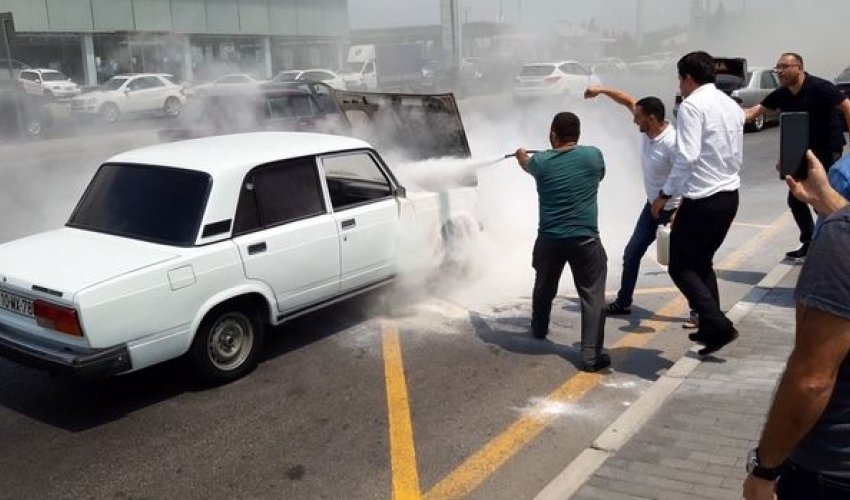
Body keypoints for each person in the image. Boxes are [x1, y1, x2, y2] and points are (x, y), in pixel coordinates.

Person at [743, 151, 850, 500]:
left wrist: (764, 470)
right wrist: (826, 201)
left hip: (832, 474)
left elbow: (812, 382)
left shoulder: (842, 237)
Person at [650, 51, 743, 356]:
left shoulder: (692, 106)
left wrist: (664, 195)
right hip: (729, 195)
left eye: (680, 79)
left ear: (688, 78)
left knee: (679, 266)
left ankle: (719, 323)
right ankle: (710, 329)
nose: (679, 85)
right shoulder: (730, 103)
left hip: (703, 198)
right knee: (701, 263)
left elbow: (686, 157)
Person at [583, 85, 699, 329]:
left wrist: (678, 212)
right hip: (651, 208)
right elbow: (626, 99)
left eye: (638, 118)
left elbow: (690, 177)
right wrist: (601, 90)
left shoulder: (674, 142)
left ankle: (698, 311)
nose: (635, 122)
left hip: (674, 211)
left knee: (682, 265)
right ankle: (624, 302)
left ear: (652, 118)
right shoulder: (648, 128)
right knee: (632, 252)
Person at [514, 112, 610, 372]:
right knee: (592, 296)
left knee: (544, 286)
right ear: (577, 134)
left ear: (553, 134)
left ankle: (539, 328)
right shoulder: (593, 156)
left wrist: (521, 153)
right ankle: (591, 356)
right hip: (585, 240)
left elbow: (525, 163)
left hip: (550, 239)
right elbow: (599, 176)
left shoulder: (541, 162)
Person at [744, 52, 850, 259]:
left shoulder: (820, 87)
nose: (779, 71)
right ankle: (810, 242)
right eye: (778, 67)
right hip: (800, 150)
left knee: (825, 197)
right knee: (796, 199)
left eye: (784, 66)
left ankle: (836, 245)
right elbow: (752, 113)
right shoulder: (782, 93)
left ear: (799, 68)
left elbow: (847, 106)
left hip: (827, 149)